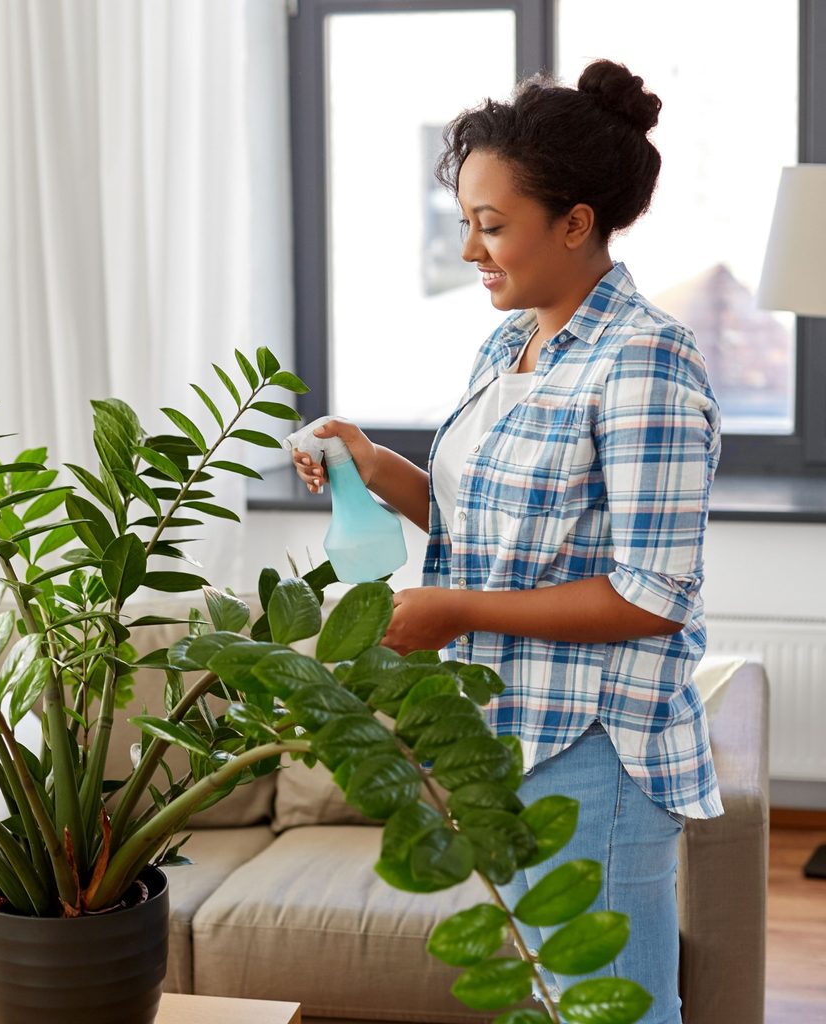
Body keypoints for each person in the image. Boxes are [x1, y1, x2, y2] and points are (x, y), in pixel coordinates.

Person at [291, 60, 721, 1024]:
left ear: (575, 222)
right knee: (557, 1004)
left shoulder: (646, 361)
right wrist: (368, 459)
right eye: (466, 225)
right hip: (511, 733)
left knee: (614, 1013)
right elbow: (485, 527)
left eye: (494, 225)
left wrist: (454, 613)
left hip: (595, 744)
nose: (473, 250)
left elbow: (652, 594)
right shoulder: (512, 342)